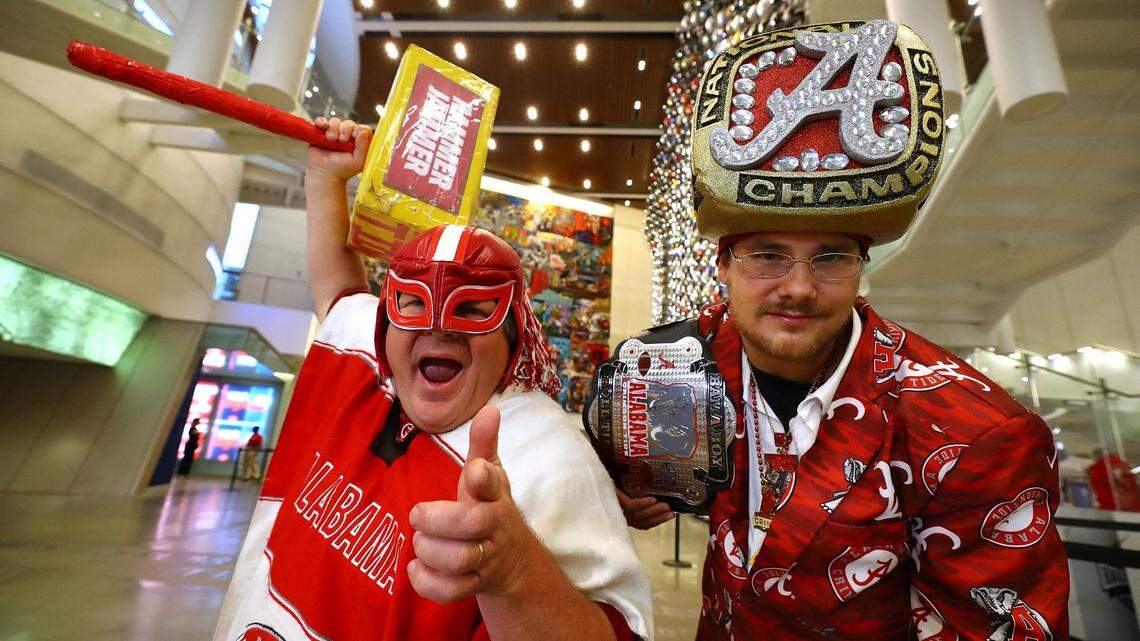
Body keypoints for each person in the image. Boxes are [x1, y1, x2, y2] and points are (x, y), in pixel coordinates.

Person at [611, 18, 1069, 640]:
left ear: (862, 268)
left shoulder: (974, 436)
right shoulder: (677, 366)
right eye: (767, 255)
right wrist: (629, 497)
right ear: (723, 266)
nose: (798, 286)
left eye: (830, 257)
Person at [213, 117, 651, 641]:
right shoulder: (363, 358)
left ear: (514, 340)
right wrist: (327, 180)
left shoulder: (549, 461)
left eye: (473, 310)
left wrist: (518, 574)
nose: (438, 326)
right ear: (384, 322)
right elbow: (339, 292)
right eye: (414, 303)